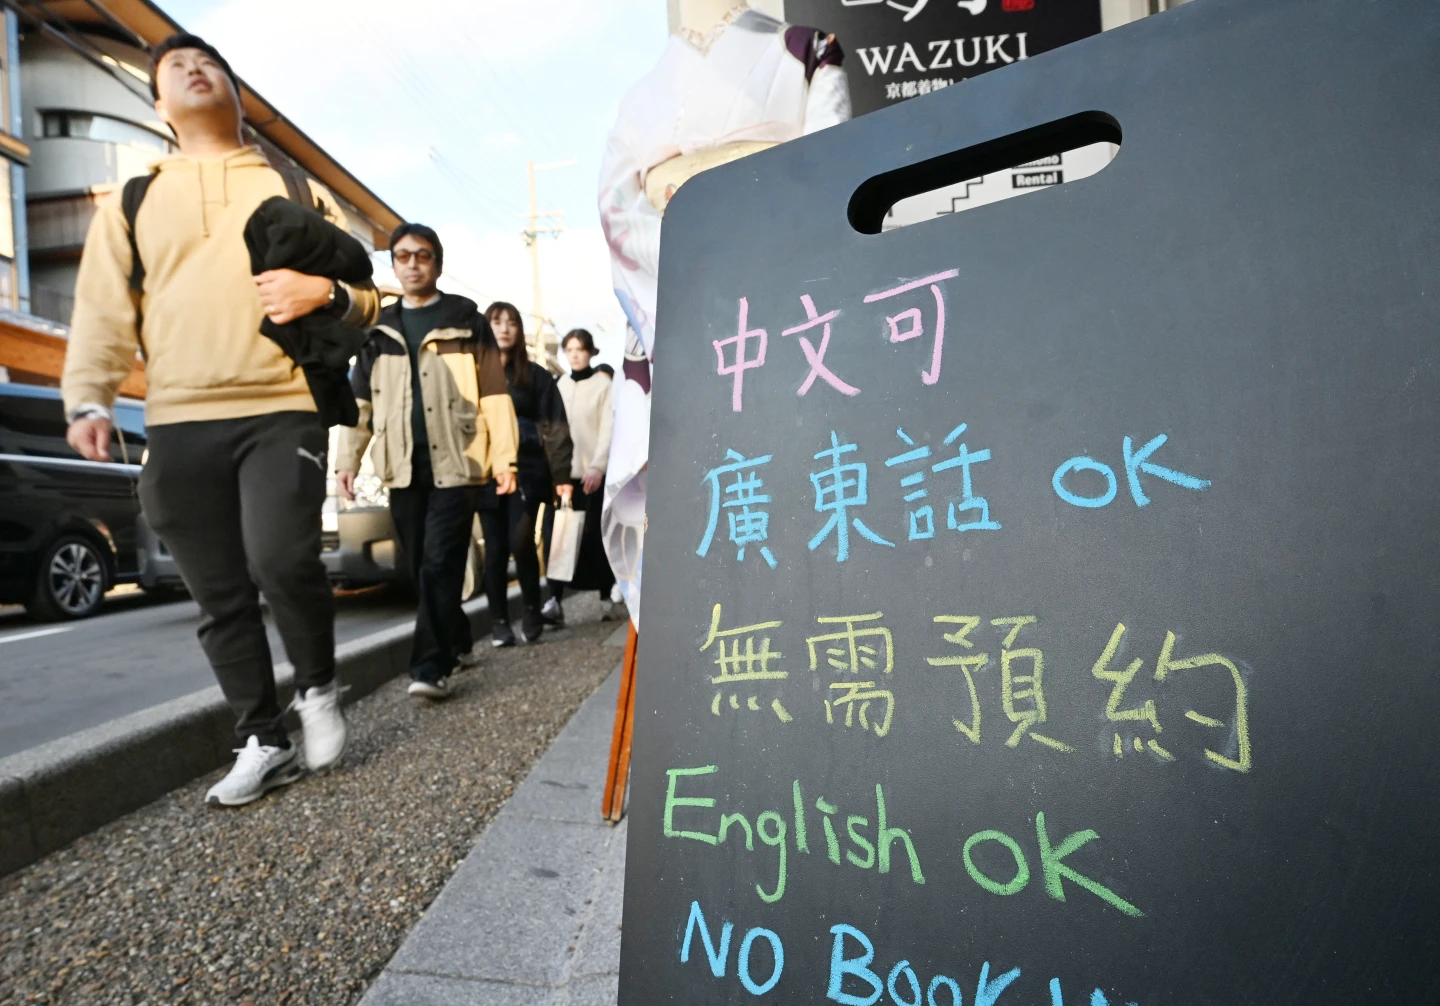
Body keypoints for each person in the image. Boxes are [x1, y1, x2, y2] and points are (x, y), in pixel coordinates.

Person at [61, 34, 382, 806]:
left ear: (235, 91)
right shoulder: (136, 198)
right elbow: (102, 308)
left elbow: (367, 298)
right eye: (175, 68)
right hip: (176, 417)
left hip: (281, 405)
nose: (195, 69)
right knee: (218, 595)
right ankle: (260, 738)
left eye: (209, 62)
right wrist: (89, 397)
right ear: (160, 106)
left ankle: (315, 689)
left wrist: (323, 295)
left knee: (281, 559)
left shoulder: (294, 185)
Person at [336, 225, 519, 700]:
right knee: (421, 565)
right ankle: (456, 637)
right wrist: (347, 461)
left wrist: (505, 459)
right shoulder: (379, 330)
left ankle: (429, 666)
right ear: (393, 264)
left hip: (458, 464)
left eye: (423, 255)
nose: (413, 264)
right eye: (403, 256)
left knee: (440, 562)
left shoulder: (466, 320)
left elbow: (495, 393)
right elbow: (360, 404)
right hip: (402, 465)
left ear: (437, 263)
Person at [479, 303, 573, 645]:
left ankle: (532, 608)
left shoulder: (535, 376)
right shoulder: (475, 374)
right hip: (486, 472)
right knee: (494, 549)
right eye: (496, 321)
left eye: (512, 322)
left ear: (519, 330)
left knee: (521, 542)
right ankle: (499, 622)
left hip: (528, 471)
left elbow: (556, 426)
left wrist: (561, 474)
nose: (504, 328)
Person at [541, 329, 618, 625]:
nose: (574, 354)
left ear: (590, 352)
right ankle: (554, 600)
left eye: (580, 349)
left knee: (594, 536)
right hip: (562, 474)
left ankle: (604, 595)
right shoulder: (557, 385)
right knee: (558, 536)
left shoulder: (603, 386)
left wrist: (598, 465)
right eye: (569, 349)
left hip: (591, 473)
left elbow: (608, 428)